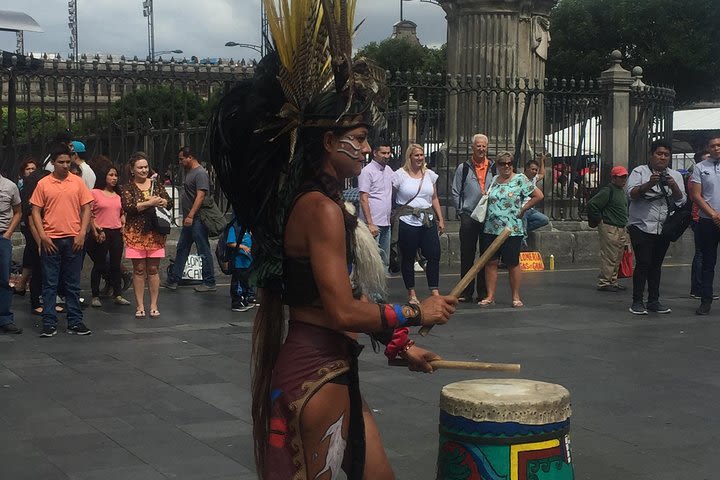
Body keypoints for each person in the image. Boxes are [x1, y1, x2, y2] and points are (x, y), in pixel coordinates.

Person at [207, 10, 457, 477]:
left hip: (325, 368)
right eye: (358, 138)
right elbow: (342, 311)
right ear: (327, 141)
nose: (366, 150)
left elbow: (339, 296)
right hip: (316, 373)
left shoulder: (317, 203)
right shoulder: (318, 209)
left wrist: (400, 345)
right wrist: (416, 313)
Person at [30, 143, 94, 337]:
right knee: (50, 284)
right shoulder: (43, 184)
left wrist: (82, 232)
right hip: (52, 239)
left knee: (73, 283)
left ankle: (75, 321)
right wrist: (42, 236)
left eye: (68, 162)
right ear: (53, 163)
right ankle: (49, 322)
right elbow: (35, 211)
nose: (65, 165)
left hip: (74, 238)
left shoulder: (77, 182)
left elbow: (87, 208)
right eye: (61, 162)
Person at [625, 139, 686, 315]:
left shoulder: (675, 175)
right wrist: (649, 184)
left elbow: (681, 201)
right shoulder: (639, 171)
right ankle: (637, 301)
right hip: (641, 224)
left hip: (663, 227)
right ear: (652, 155)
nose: (662, 158)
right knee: (643, 262)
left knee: (656, 264)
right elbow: (631, 194)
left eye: (666, 155)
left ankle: (653, 300)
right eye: (659, 154)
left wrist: (673, 185)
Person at [479, 151, 544, 308]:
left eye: (509, 163)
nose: (506, 166)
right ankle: (490, 295)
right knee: (491, 262)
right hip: (491, 227)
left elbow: (538, 195)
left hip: (512, 228)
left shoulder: (520, 179)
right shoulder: (494, 180)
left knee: (512, 262)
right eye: (502, 163)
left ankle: (515, 296)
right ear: (498, 165)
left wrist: (523, 209)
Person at [120, 152, 171, 319]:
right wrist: (149, 203)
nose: (143, 170)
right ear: (132, 170)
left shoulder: (156, 184)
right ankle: (140, 305)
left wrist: (163, 202)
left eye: (145, 167)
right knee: (139, 269)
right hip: (136, 233)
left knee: (153, 269)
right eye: (140, 167)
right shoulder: (128, 187)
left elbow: (169, 202)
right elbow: (129, 207)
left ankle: (154, 304)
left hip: (155, 232)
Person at [393, 143, 445, 304]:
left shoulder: (429, 174)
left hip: (427, 219)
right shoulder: (400, 175)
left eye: (421, 155)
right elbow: (392, 196)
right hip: (407, 219)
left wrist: (440, 218)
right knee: (408, 257)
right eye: (416, 155)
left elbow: (434, 197)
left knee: (434, 254)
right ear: (409, 157)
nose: (420, 158)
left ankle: (434, 290)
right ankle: (412, 292)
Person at [164, 146, 215, 292]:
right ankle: (174, 279)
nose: (180, 162)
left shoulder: (200, 174)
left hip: (196, 219)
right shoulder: (190, 173)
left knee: (203, 249)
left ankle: (209, 281)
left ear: (190, 157)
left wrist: (191, 215)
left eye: (182, 159)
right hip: (190, 219)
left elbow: (201, 196)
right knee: (182, 248)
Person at [451, 133, 494, 302]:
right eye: (478, 146)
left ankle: (483, 292)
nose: (481, 149)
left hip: (488, 215)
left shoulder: (493, 167)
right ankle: (466, 291)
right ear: (472, 147)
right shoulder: (464, 168)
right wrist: (461, 211)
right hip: (469, 214)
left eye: (484, 146)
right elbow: (455, 190)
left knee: (486, 255)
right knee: (467, 254)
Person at [86, 165, 130, 308]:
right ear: (104, 176)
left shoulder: (118, 195)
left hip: (116, 231)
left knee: (115, 264)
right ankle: (95, 295)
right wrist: (95, 229)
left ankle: (117, 294)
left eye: (116, 175)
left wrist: (123, 220)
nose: (114, 178)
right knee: (99, 264)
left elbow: (122, 211)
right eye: (111, 175)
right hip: (101, 231)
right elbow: (89, 214)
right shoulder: (95, 193)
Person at [688, 135, 720, 315]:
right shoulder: (700, 168)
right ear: (708, 148)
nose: (716, 148)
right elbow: (696, 196)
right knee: (708, 262)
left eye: (719, 145)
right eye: (713, 146)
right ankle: (705, 299)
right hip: (707, 221)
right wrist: (713, 214)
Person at [587, 166, 630, 292]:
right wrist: (600, 220)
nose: (624, 179)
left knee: (617, 256)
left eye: (624, 177)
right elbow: (592, 204)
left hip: (620, 227)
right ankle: (605, 282)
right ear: (614, 178)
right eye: (621, 177)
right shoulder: (608, 190)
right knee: (610, 256)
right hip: (610, 226)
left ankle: (613, 280)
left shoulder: (620, 191)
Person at [358, 139, 394, 271]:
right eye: (383, 153)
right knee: (371, 261)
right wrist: (370, 223)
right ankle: (371, 292)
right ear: (375, 153)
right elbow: (363, 197)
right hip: (373, 223)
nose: (386, 156)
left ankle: (381, 290)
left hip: (386, 223)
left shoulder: (389, 170)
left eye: (388, 153)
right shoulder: (367, 171)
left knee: (385, 261)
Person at [0, 167, 23, 334]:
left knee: (3, 278)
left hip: (2, 236)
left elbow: (18, 212)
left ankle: (5, 318)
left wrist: (8, 233)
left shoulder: (9, 186)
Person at [688, 149, 712, 300]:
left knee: (706, 255)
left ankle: (703, 288)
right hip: (700, 218)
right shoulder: (695, 178)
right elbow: (697, 197)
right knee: (701, 254)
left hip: (711, 217)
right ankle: (698, 288)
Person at [12, 155, 37, 296]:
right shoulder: (22, 187)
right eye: (28, 169)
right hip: (27, 223)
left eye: (33, 168)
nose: (31, 171)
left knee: (32, 252)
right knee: (31, 249)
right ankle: (23, 282)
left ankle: (23, 283)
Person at [227, 220, 255, 312]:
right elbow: (230, 242)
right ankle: (237, 302)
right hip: (239, 261)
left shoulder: (248, 228)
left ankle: (245, 300)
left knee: (246, 281)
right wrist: (243, 247)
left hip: (248, 260)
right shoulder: (234, 227)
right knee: (238, 282)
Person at [520, 156, 550, 238]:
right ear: (526, 168)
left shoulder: (534, 178)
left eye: (536, 170)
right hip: (523, 207)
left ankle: (522, 230)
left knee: (544, 220)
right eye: (532, 169)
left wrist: (542, 161)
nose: (534, 172)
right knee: (523, 235)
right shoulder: (520, 178)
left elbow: (542, 174)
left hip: (531, 209)